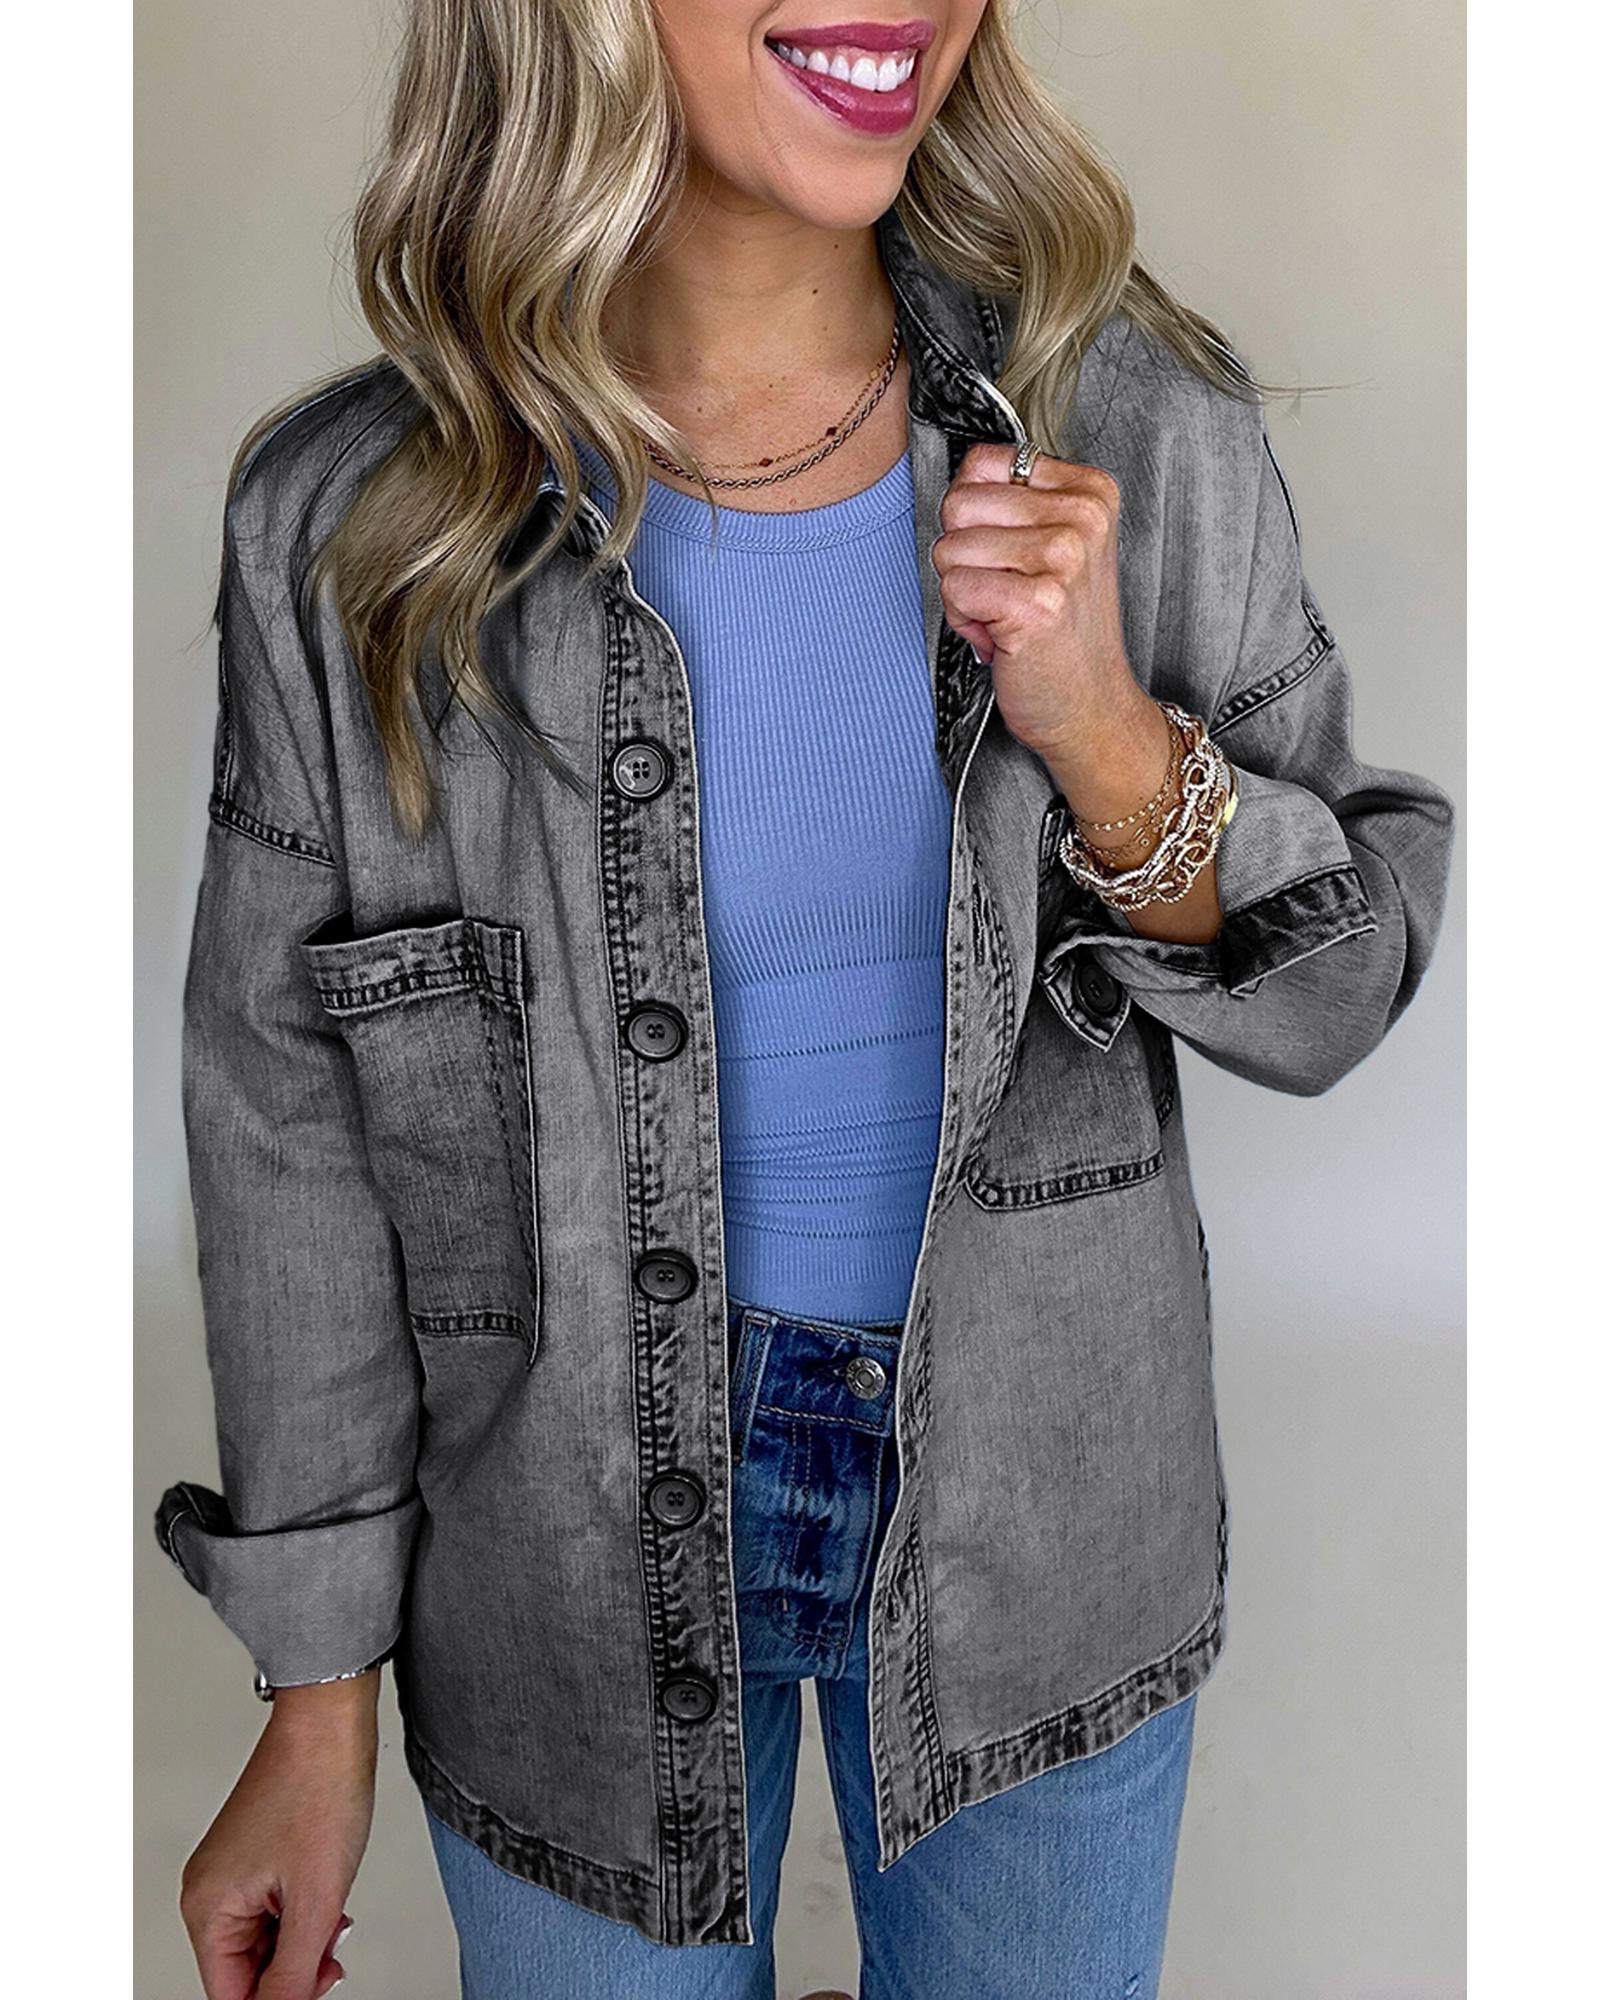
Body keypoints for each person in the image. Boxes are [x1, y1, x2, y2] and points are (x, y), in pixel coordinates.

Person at [155, 4, 1457, 1997]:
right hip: (560, 1562)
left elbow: (1337, 987)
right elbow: (288, 1138)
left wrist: (1106, 736)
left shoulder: (1129, 420)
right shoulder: (353, 527)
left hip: (1047, 1513)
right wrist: (312, 1699)